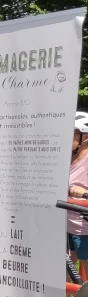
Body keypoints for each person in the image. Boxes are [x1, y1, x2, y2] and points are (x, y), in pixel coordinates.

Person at [67, 111, 88, 280]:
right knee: (65, 271)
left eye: (71, 133)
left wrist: (85, 192)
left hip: (84, 227)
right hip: (65, 224)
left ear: (85, 136)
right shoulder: (68, 158)